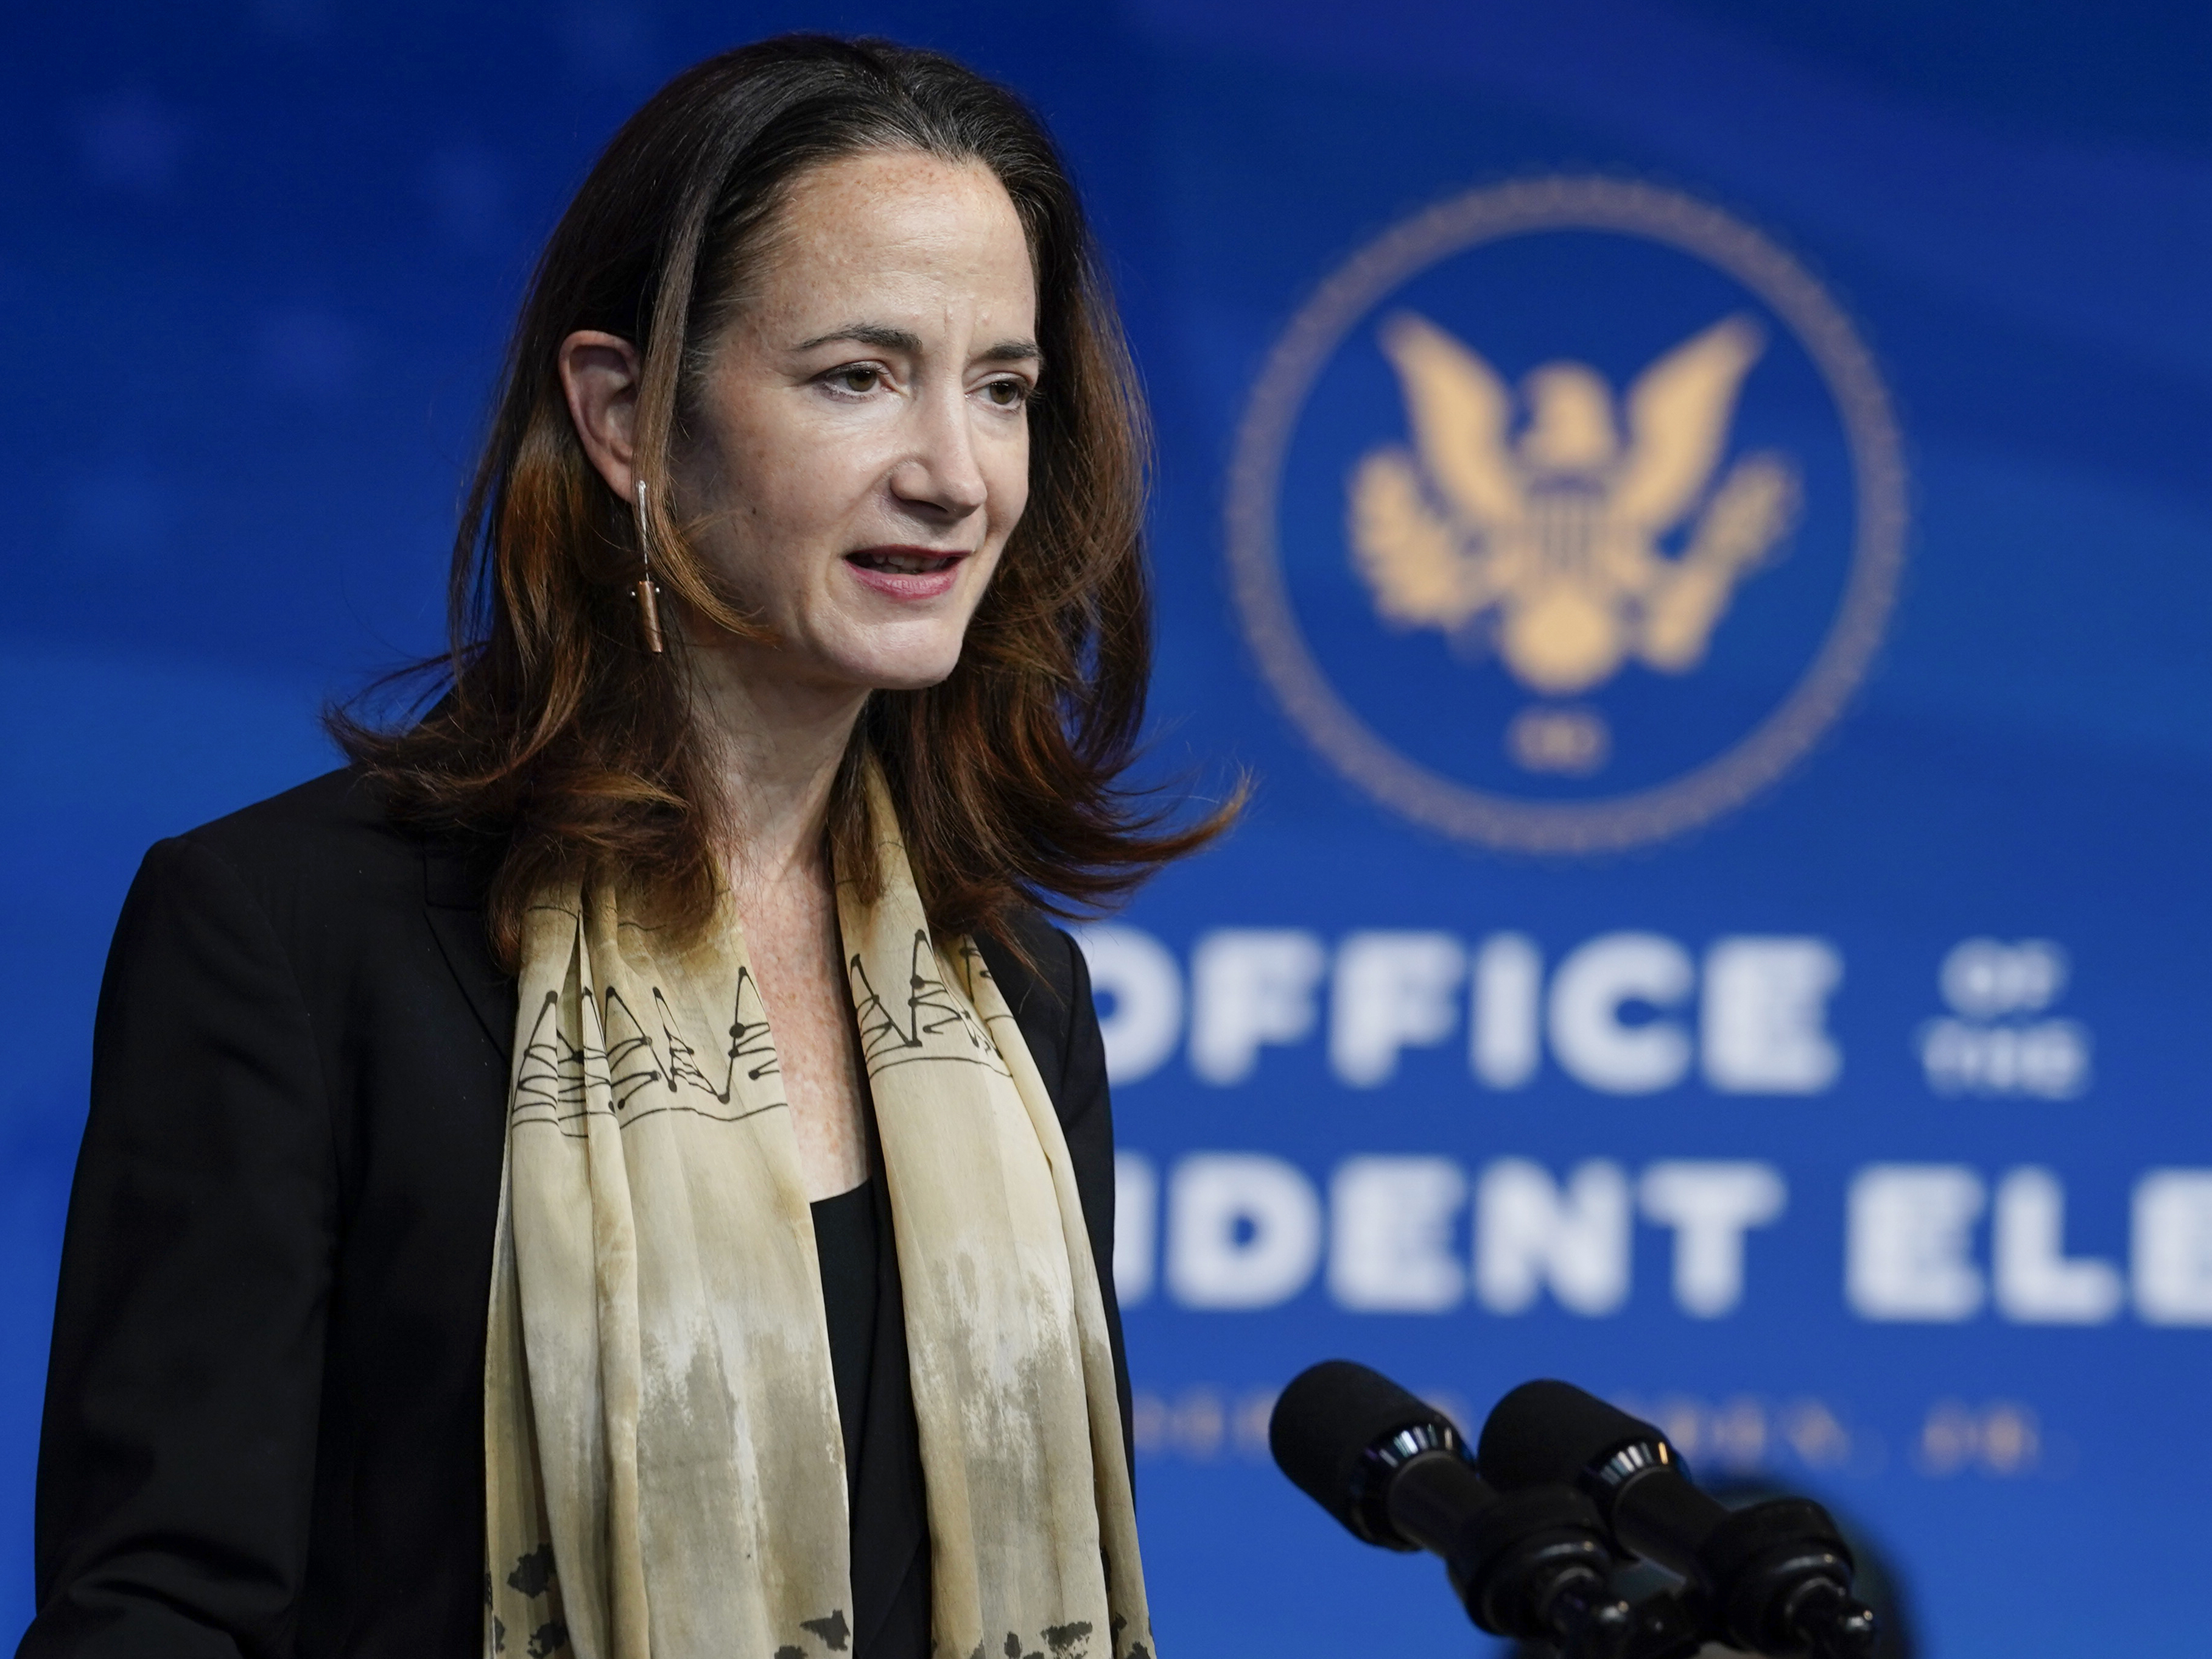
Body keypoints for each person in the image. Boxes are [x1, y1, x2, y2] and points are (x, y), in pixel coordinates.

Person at [24, 35, 1228, 1659]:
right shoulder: (289, 938)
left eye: (1001, 387)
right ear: (623, 416)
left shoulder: (1018, 987)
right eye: (856, 376)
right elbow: (156, 1614)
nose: (954, 473)